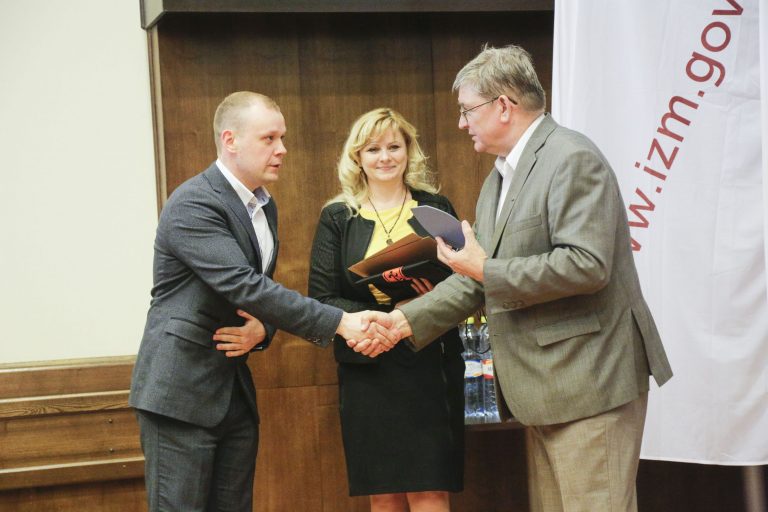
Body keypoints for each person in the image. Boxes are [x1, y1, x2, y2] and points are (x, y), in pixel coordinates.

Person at [353, 46, 674, 512]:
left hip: (589, 383)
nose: (461, 122)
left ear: (503, 106)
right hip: (545, 390)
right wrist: (402, 322)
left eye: (468, 110)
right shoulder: (500, 176)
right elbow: (477, 278)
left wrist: (484, 269)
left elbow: (586, 264)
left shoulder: (571, 158)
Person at [129, 92, 397, 512]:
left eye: (282, 137)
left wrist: (264, 328)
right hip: (180, 394)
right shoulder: (194, 202)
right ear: (230, 140)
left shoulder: (263, 206)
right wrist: (341, 322)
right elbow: (244, 285)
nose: (282, 149)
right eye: (269, 138)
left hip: (233, 395)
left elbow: (258, 294)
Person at [308, 108, 464, 512]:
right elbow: (322, 297)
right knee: (384, 493)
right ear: (357, 157)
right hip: (368, 363)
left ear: (408, 151)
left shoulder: (435, 207)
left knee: (430, 488)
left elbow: (465, 281)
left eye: (394, 146)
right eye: (373, 149)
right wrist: (380, 321)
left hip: (427, 360)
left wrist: (420, 305)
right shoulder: (338, 216)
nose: (385, 157)